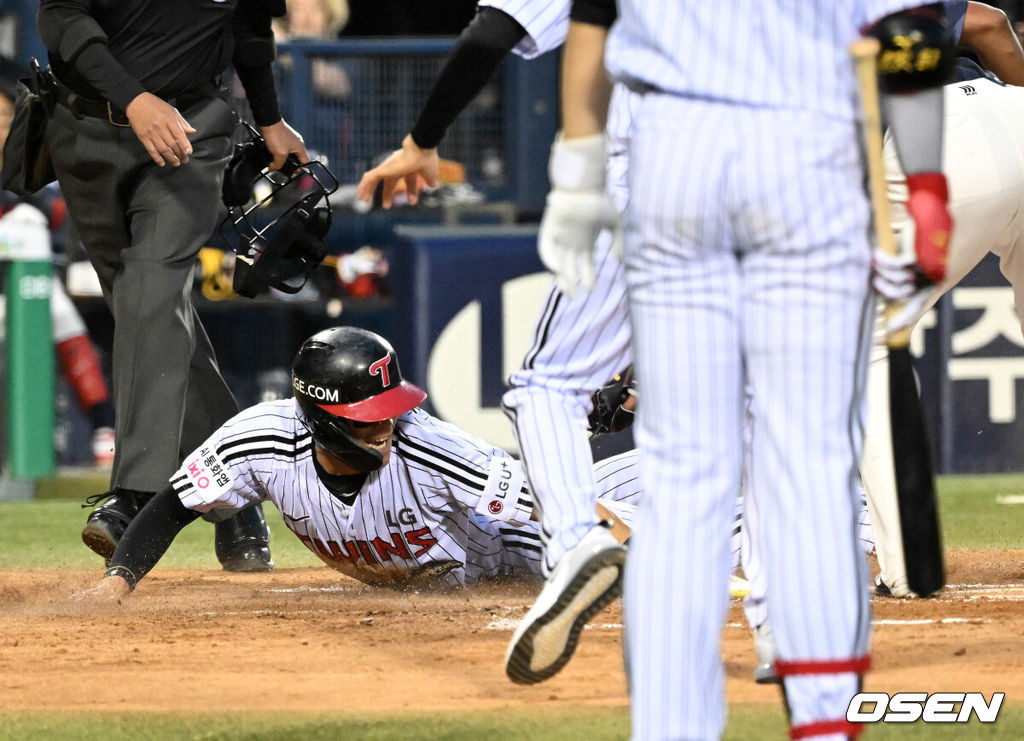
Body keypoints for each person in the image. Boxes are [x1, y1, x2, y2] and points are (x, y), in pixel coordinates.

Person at [546, 2, 955, 739]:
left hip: (676, 168)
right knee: (807, 468)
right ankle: (826, 722)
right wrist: (925, 187)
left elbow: (593, 20)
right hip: (808, 165)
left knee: (683, 483)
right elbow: (911, 44)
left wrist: (577, 168)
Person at [357, 0, 640, 686]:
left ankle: (575, 543)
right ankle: (802, 594)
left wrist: (423, 140)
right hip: (782, 176)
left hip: (649, 173)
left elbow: (493, 31)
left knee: (549, 385)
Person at [78, 326, 756, 601]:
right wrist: (115, 584)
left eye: (391, 408)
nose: (386, 424)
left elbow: (558, 503)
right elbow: (172, 501)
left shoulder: (428, 445)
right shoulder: (260, 439)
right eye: (370, 415)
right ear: (320, 415)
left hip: (515, 539)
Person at [36, 0, 309, 572]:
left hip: (191, 133)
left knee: (152, 293)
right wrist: (134, 99)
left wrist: (269, 118)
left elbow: (250, 29)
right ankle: (233, 502)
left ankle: (134, 497)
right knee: (150, 310)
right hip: (83, 132)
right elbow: (64, 19)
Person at [865, 0, 1024, 597]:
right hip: (1009, 109)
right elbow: (985, 22)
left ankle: (910, 565)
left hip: (933, 137)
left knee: (864, 348)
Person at [0, 67, 115, 468]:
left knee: (61, 315)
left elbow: (50, 213)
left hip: (26, 281)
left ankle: (104, 426)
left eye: (4, 116)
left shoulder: (32, 156)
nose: (0, 124)